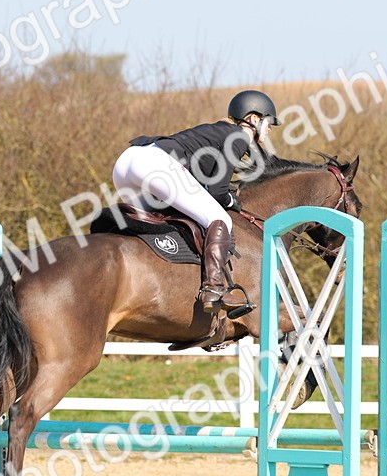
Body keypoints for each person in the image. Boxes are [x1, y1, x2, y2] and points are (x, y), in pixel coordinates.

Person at [113, 89, 282, 315]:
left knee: (159, 225)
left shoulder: (218, 131)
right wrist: (233, 201)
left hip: (127, 162)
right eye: (268, 122)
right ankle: (214, 289)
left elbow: (204, 183)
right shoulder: (239, 137)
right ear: (252, 119)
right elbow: (218, 193)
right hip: (154, 165)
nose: (270, 128)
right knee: (220, 218)